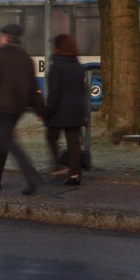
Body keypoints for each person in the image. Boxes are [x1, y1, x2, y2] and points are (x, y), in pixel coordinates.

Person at [0, 23, 46, 195]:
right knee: (3, 140)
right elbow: (34, 88)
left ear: (6, 38)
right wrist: (39, 110)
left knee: (9, 142)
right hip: (18, 108)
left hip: (2, 107)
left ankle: (31, 176)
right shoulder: (26, 58)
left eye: (2, 36)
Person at [41, 33, 87, 186]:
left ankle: (57, 165)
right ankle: (75, 175)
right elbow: (82, 90)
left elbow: (53, 93)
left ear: (57, 48)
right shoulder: (78, 66)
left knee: (51, 138)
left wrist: (46, 112)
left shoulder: (56, 66)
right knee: (74, 144)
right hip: (76, 111)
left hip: (58, 113)